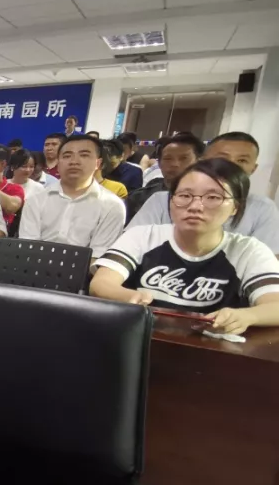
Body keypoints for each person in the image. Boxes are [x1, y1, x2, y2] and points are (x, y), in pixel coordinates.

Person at [91, 159, 279, 334]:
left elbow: (275, 306)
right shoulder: (143, 236)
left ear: (235, 207)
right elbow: (101, 283)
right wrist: (128, 296)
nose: (195, 206)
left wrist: (247, 316)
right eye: (184, 195)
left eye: (213, 197)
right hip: (140, 339)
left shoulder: (249, 251)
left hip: (213, 347)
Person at [129, 132, 279, 255]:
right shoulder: (161, 200)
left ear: (253, 168)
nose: (231, 165)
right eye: (222, 158)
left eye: (242, 160)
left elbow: (268, 263)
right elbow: (132, 245)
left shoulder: (262, 208)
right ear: (202, 161)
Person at [19, 135, 125, 254]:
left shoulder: (112, 205)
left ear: (98, 163)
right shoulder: (36, 200)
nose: (74, 161)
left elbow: (98, 254)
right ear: (58, 163)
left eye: (84, 155)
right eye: (67, 156)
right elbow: (28, 248)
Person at [124, 133, 202, 222]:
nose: (175, 164)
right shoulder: (139, 198)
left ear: (199, 162)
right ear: (160, 164)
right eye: (168, 159)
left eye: (184, 158)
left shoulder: (209, 200)